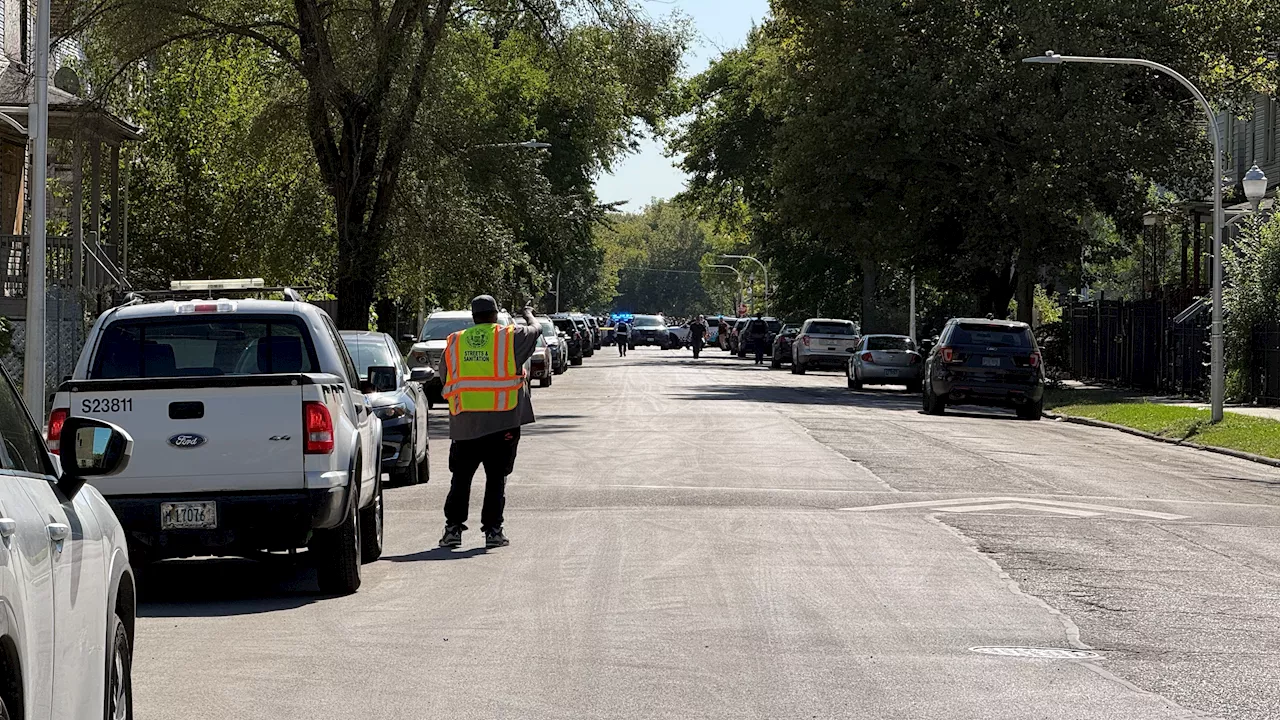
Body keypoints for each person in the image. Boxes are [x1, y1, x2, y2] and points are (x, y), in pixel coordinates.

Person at [438, 295, 541, 550]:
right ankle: (493, 531)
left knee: (460, 479)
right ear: (495, 314)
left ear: (473, 317)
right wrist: (527, 312)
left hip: (465, 424)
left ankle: (453, 530)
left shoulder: (455, 341)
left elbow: (445, 375)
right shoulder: (509, 337)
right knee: (496, 478)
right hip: (502, 421)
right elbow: (536, 329)